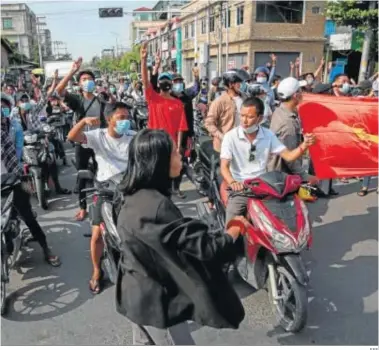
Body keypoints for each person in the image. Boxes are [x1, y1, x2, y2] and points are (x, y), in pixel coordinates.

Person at [116, 129, 246, 345]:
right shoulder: (157, 207)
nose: (180, 157)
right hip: (157, 304)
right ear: (159, 162)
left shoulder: (130, 194)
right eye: (175, 153)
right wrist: (234, 230)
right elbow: (205, 249)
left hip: (136, 293)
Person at [68, 102, 135, 294]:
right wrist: (83, 122)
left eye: (127, 117)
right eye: (121, 118)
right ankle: (97, 271)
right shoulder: (98, 136)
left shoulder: (133, 136)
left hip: (130, 188)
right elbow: (72, 136)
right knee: (97, 234)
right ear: (109, 119)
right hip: (105, 189)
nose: (125, 121)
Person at [220, 97, 316, 223]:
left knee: (283, 216)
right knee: (232, 224)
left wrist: (304, 145)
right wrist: (233, 183)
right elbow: (224, 167)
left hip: (263, 186)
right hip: (242, 188)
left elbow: (289, 156)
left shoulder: (268, 135)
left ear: (259, 118)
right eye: (242, 116)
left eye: (250, 117)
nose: (244, 121)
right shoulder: (230, 137)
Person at [55, 57, 115, 221]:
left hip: (99, 142)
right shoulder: (77, 100)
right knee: (82, 175)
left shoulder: (100, 101)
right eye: (84, 79)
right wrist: (73, 71)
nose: (87, 81)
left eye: (90, 79)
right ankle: (82, 208)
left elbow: (113, 114)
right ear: (80, 84)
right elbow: (59, 91)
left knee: (102, 173)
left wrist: (110, 96)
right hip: (82, 141)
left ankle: (102, 203)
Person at [1, 121, 61, 267]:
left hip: (9, 181)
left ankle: (45, 248)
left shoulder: (2, 134)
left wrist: (20, 181)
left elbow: (13, 159)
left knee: (27, 215)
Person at [140, 42, 189, 198]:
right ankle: (155, 195)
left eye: (169, 81)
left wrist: (179, 146)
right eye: (163, 81)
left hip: (171, 144)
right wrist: (143, 60)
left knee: (170, 171)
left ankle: (167, 195)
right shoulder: (153, 98)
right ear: (159, 84)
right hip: (154, 141)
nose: (166, 83)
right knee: (154, 169)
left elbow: (182, 127)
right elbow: (146, 82)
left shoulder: (178, 103)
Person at [150, 49, 200, 198]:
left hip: (184, 135)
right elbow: (152, 87)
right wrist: (156, 67)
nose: (177, 84)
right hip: (168, 135)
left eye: (180, 82)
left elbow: (197, 89)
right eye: (175, 82)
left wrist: (197, 76)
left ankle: (175, 187)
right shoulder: (166, 98)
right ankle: (163, 188)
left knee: (181, 162)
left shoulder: (187, 95)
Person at [268, 77, 318, 184]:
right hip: (284, 177)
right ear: (295, 96)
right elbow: (290, 157)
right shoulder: (288, 123)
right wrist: (304, 176)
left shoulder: (280, 111)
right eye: (300, 91)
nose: (302, 93)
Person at [205, 69, 250, 153]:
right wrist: (222, 136)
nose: (242, 85)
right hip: (224, 146)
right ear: (230, 84)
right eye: (239, 82)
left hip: (242, 143)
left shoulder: (245, 98)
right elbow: (209, 123)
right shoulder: (219, 102)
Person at [1, 93, 23, 162]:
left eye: (3, 107)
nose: (1, 110)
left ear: (9, 108)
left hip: (12, 164)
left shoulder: (17, 126)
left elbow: (18, 148)